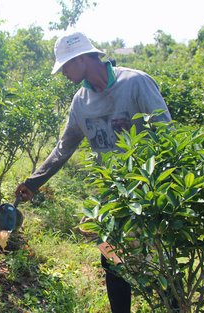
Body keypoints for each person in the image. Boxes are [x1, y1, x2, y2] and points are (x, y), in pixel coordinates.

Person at [15, 32, 172, 313]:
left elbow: (167, 134)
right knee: (112, 260)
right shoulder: (80, 102)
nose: (63, 72)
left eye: (66, 65)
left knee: (158, 262)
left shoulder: (135, 83)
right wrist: (33, 182)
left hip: (150, 192)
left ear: (83, 58)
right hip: (113, 197)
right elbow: (64, 148)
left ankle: (176, 305)